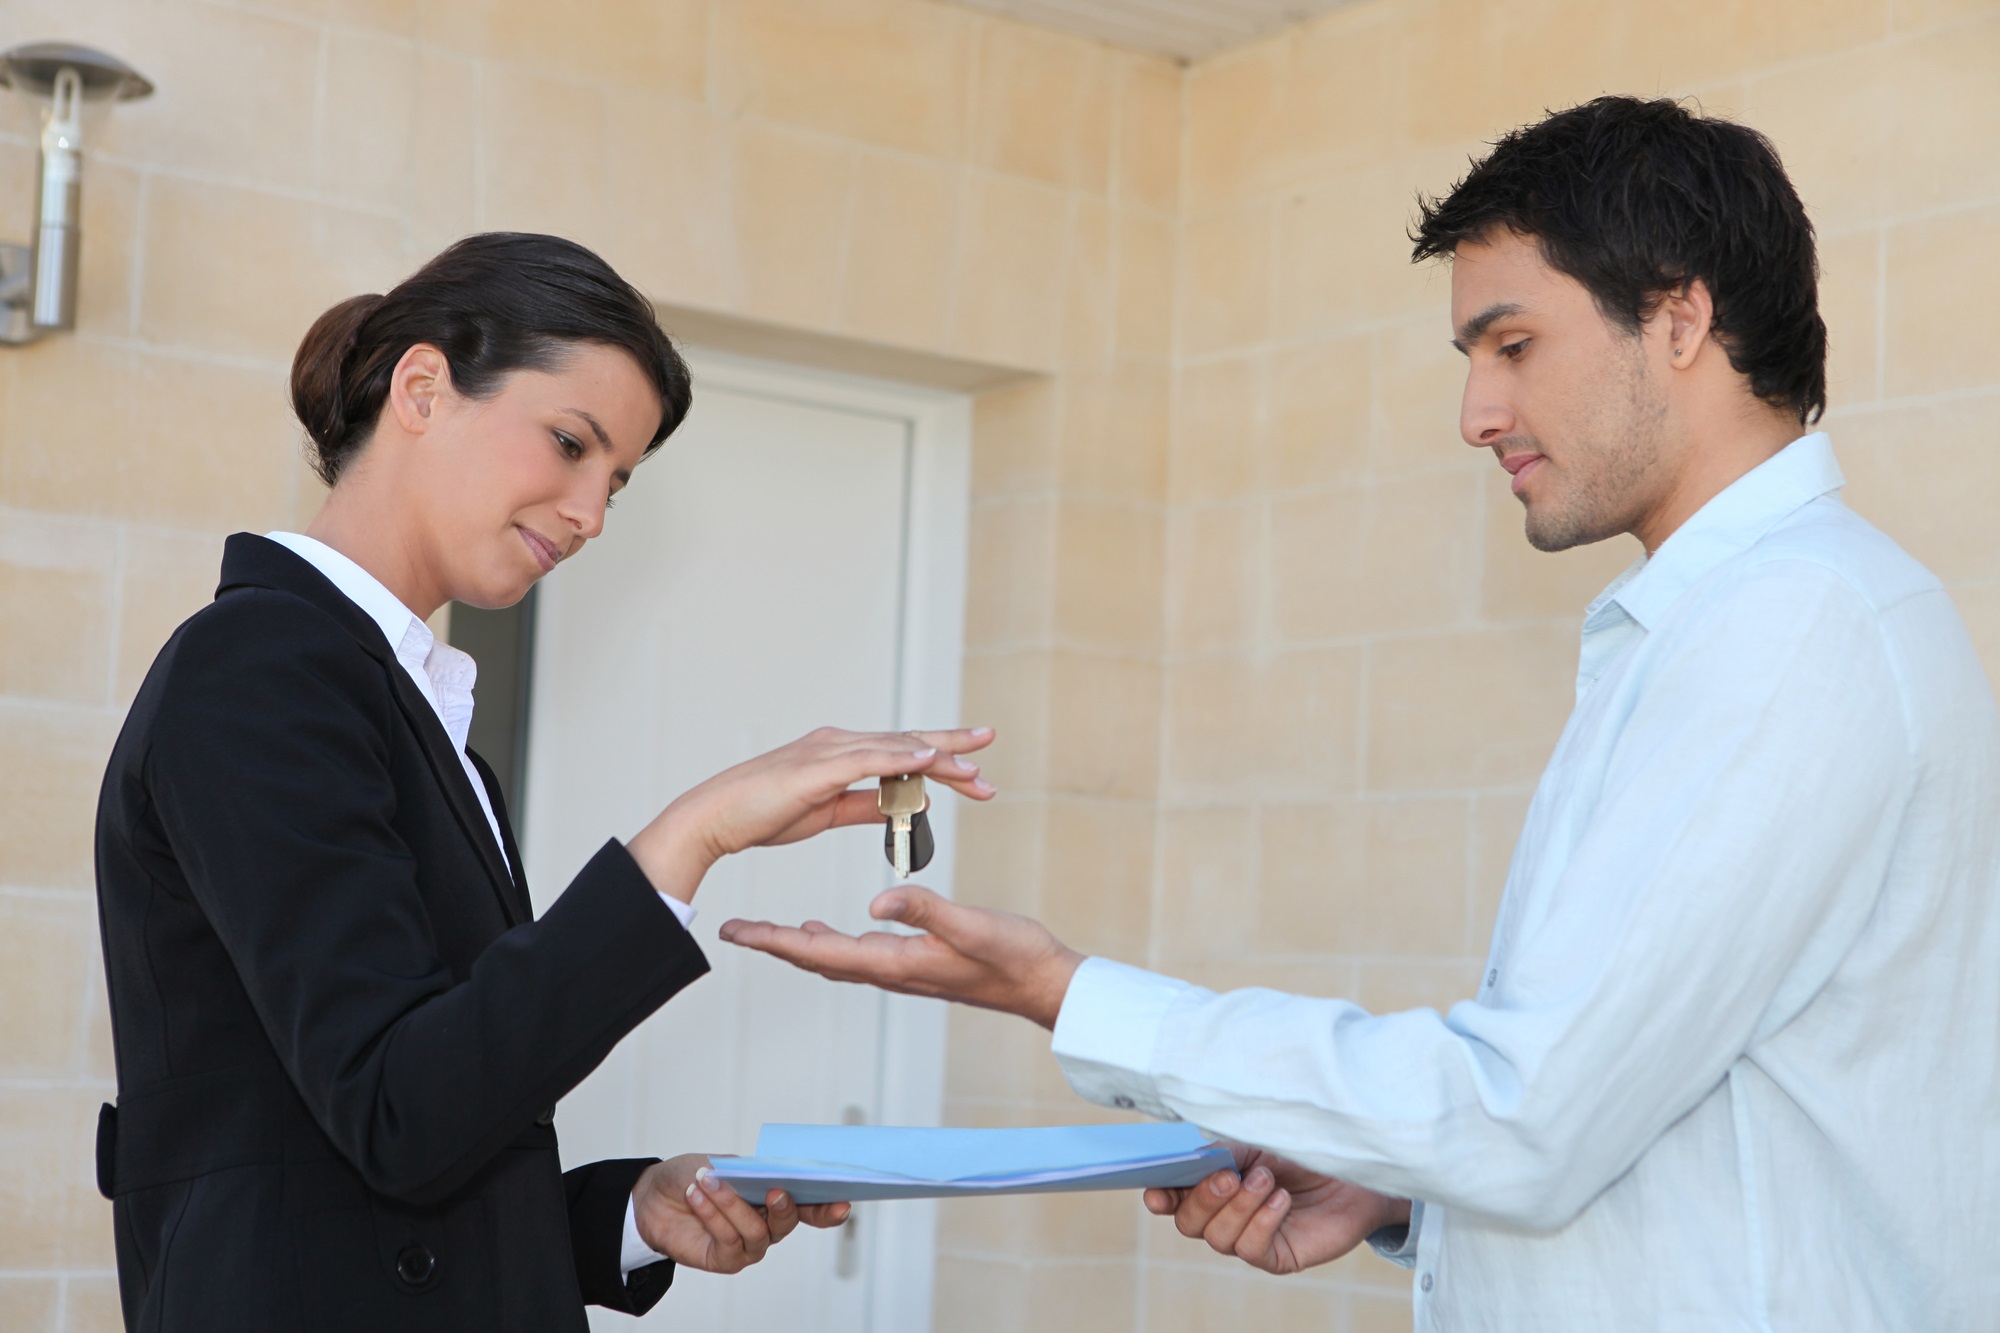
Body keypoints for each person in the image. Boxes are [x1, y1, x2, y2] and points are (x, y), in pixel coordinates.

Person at [719, 97, 2000, 1329]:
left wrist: (1066, 992)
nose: (1474, 415)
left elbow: (1525, 1112)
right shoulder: (1721, 623)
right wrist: (1401, 1191)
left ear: (1677, 318)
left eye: (1512, 346)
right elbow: (1665, 1120)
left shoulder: (1792, 626)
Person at [92, 231, 997, 1332]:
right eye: (569, 444)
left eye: (614, 480)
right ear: (422, 387)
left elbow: (396, 1137)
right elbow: (398, 1112)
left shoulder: (414, 714)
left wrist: (623, 1210)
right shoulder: (260, 667)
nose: (591, 514)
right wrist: (692, 835)